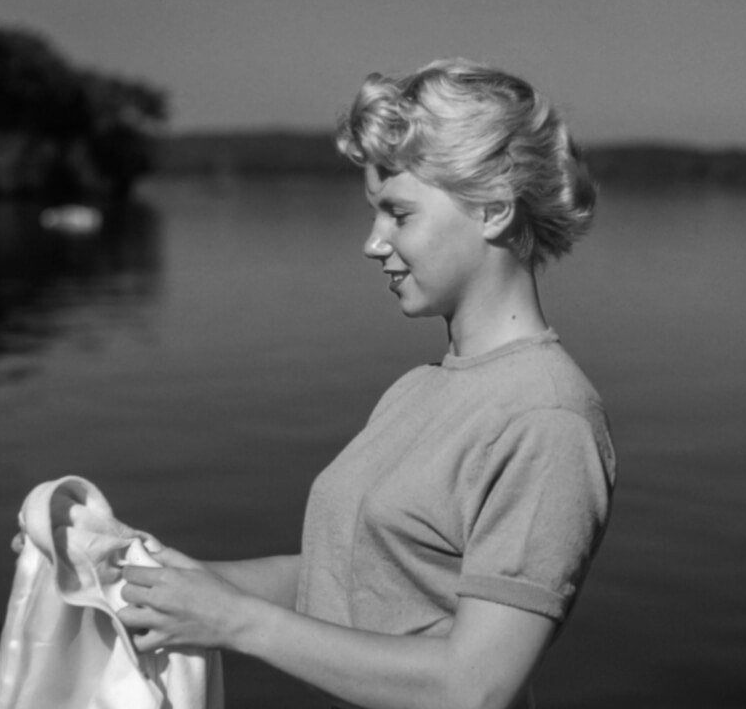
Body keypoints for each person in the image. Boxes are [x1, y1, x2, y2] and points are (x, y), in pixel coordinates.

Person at [117, 58, 616, 709]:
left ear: (493, 209)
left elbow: (475, 687)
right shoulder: (419, 388)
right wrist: (148, 574)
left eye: (398, 214)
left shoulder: (546, 417)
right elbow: (346, 580)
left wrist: (235, 623)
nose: (372, 243)